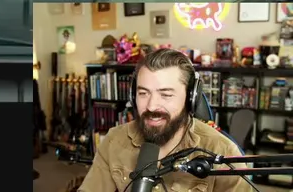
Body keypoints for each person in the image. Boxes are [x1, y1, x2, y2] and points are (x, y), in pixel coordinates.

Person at [78, 48, 246, 192]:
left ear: (190, 99)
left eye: (166, 95)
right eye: (143, 93)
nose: (151, 106)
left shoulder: (222, 150)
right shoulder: (114, 140)